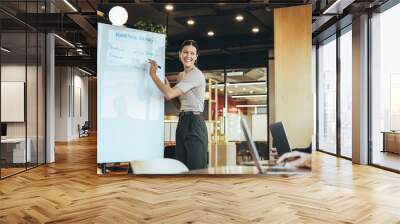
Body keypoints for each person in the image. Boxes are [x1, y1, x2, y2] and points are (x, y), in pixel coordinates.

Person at [148, 40, 208, 170]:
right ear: (180, 54)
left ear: (196, 57)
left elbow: (169, 94)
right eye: (186, 52)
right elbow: (176, 101)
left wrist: (153, 76)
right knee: (182, 166)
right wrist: (167, 89)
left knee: (196, 168)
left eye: (192, 53)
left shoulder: (196, 75)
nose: (188, 56)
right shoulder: (181, 76)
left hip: (195, 122)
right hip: (183, 120)